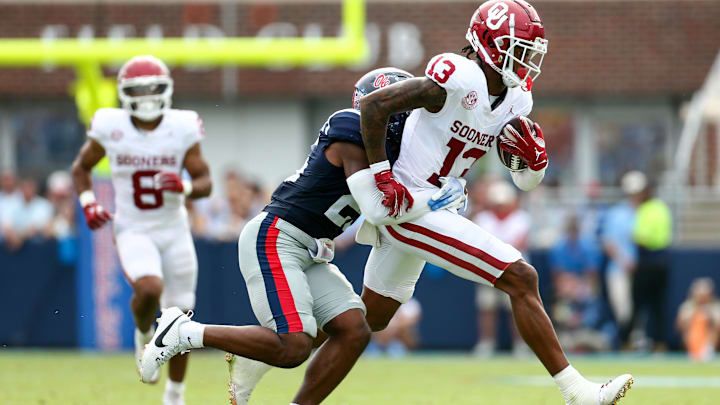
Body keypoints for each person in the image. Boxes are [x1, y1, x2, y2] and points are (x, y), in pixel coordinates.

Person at [308, 1, 633, 404]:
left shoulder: (517, 101)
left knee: (368, 318)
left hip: (436, 206)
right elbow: (374, 105)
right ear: (491, 44)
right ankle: (577, 391)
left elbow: (524, 181)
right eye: (522, 48)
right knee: (522, 277)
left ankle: (273, 348)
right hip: (410, 206)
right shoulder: (457, 76)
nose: (529, 59)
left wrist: (533, 165)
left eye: (533, 50)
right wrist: (381, 176)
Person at [139, 68, 466, 405]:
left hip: (311, 250)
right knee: (293, 345)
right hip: (277, 237)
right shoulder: (349, 127)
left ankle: (283, 387)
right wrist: (438, 198)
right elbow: (376, 206)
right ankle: (183, 333)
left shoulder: (396, 154)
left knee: (355, 331)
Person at [71, 55, 212, 405]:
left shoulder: (181, 127)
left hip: (173, 229)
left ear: (166, 90)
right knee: (149, 288)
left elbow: (205, 181)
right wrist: (88, 202)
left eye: (153, 88)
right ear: (124, 93)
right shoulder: (110, 125)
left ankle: (175, 393)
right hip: (133, 226)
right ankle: (145, 334)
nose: (147, 96)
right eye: (139, 89)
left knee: (181, 316)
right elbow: (81, 168)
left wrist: (184, 187)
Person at [472, 180, 531, 356]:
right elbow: (480, 243)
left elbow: (520, 243)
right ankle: (486, 344)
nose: (501, 207)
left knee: (516, 309)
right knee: (486, 309)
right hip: (487, 271)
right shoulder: (483, 218)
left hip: (515, 272)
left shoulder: (521, 218)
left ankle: (520, 345)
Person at [550, 215, 610, 352]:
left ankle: (582, 338)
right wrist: (568, 287)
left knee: (601, 338)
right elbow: (558, 275)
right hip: (567, 290)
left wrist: (580, 288)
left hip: (583, 288)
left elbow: (591, 275)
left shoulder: (587, 247)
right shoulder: (560, 247)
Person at [601, 170, 644, 345]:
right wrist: (623, 260)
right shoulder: (616, 213)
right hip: (619, 268)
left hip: (641, 269)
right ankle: (626, 339)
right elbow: (608, 241)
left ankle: (637, 339)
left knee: (638, 306)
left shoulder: (646, 212)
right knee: (623, 308)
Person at [629, 174, 672, 351]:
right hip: (663, 261)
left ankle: (629, 343)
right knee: (659, 306)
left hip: (647, 262)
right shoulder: (662, 208)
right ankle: (659, 343)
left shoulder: (645, 209)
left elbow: (641, 237)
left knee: (638, 305)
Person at [0, 178, 53, 251]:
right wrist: (14, 237)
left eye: (30, 187)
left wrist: (20, 237)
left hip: (38, 248)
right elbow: (6, 225)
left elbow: (40, 228)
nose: (27, 190)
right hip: (14, 247)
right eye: (24, 187)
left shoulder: (44, 204)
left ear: (35, 189)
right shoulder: (12, 204)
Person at [676, 278, 720, 362]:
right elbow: (679, 326)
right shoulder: (687, 307)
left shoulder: (716, 307)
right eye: (700, 295)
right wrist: (695, 313)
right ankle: (692, 351)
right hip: (691, 343)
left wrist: (709, 315)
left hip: (710, 345)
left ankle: (708, 351)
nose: (702, 297)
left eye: (705, 295)